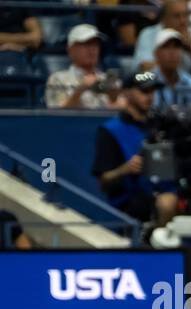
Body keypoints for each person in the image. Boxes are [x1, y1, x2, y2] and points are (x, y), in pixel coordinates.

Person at [91, 71, 178, 226]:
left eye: (152, 91)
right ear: (126, 93)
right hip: (131, 201)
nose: (149, 97)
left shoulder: (162, 125)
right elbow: (103, 181)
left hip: (168, 192)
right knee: (164, 204)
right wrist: (125, 169)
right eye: (144, 91)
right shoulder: (111, 130)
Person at [46, 25, 123, 110]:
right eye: (86, 44)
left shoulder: (109, 80)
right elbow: (55, 115)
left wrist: (113, 99)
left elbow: (122, 112)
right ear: (70, 49)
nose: (92, 49)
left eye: (95, 44)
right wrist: (80, 90)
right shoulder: (58, 79)